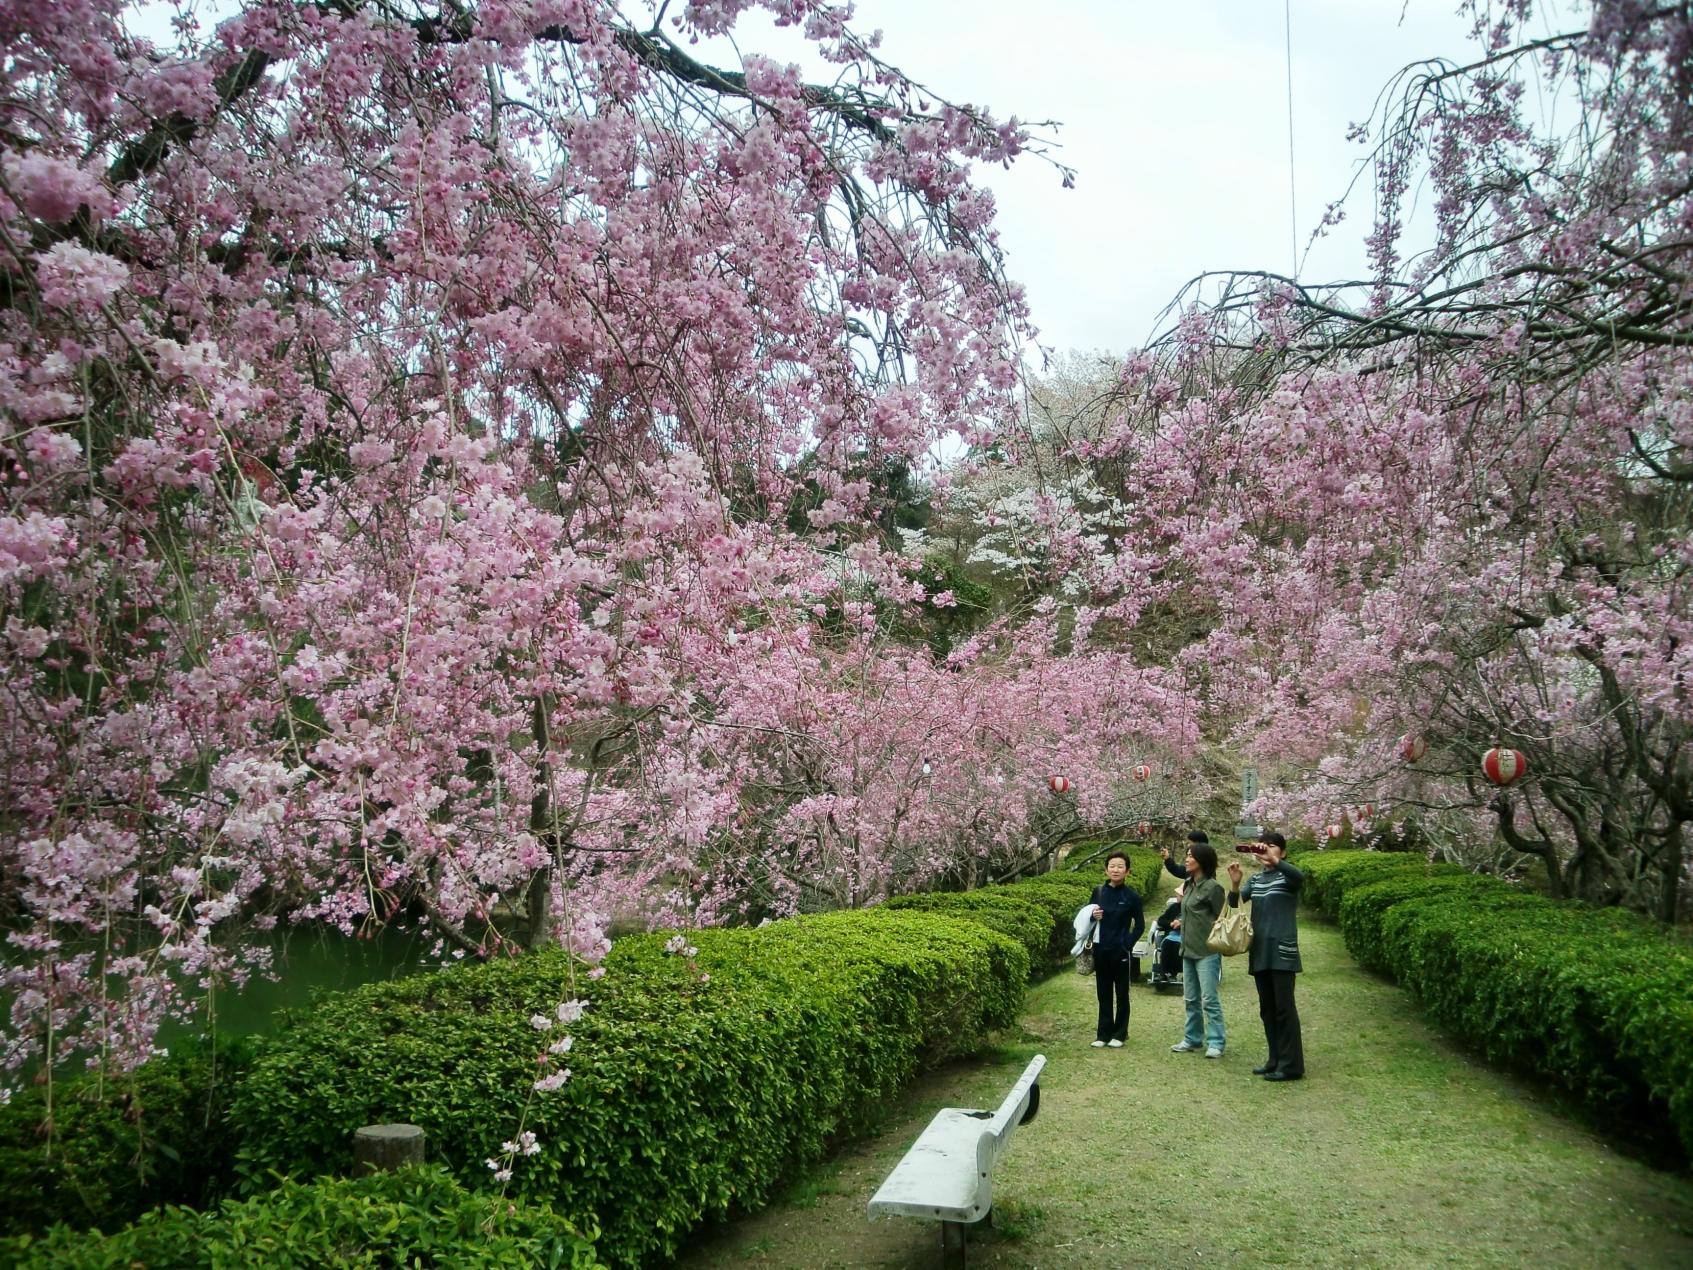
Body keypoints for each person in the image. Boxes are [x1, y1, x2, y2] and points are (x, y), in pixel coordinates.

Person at [1225, 831, 1305, 1081]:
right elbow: (1234, 906)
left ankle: (1291, 1065)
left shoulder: (1287, 877)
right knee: (1267, 1009)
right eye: (1265, 847)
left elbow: (1300, 877)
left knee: (1284, 1008)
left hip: (1282, 951)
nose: (1267, 851)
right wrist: (1236, 884)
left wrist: (1276, 860)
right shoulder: (1257, 880)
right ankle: (1274, 1059)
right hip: (1260, 951)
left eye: (1273, 847)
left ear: (1283, 852)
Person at [1160, 831, 1227, 1058]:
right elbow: (1188, 910)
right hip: (1187, 949)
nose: (1186, 859)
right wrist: (1181, 920)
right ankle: (1192, 1039)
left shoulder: (1213, 888)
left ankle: (1216, 1042)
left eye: (1191, 856)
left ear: (1202, 862)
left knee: (1209, 999)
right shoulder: (1188, 885)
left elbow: (1223, 918)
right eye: (1187, 855)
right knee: (1190, 999)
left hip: (1207, 951)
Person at [1082, 850, 1144, 1048]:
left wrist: (1128, 942)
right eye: (1112, 866)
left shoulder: (1131, 896)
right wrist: (1093, 916)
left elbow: (1140, 925)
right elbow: (1086, 917)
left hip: (1121, 951)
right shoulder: (1099, 892)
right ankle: (1103, 1034)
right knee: (1103, 992)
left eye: (1120, 866)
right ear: (1106, 869)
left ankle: (1120, 1033)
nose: (1115, 870)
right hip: (1101, 950)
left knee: (1122, 993)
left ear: (1127, 871)